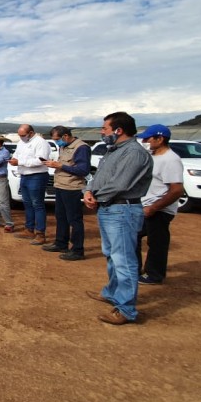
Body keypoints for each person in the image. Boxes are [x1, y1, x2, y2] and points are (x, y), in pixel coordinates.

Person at [84, 111, 152, 325]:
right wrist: (89, 190)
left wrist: (96, 196)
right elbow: (99, 177)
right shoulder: (113, 151)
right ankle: (112, 292)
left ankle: (126, 309)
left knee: (124, 260)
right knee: (112, 255)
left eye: (104, 129)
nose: (102, 132)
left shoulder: (133, 153)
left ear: (118, 130)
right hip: (109, 209)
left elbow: (120, 184)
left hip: (123, 210)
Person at [134, 124, 184, 285]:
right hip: (145, 205)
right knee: (133, 236)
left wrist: (154, 207)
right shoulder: (152, 155)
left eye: (148, 138)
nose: (145, 141)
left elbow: (176, 190)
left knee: (157, 243)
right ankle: (134, 270)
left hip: (159, 209)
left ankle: (154, 275)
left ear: (160, 139)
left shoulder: (171, 160)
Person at [42, 126, 92, 261]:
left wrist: (60, 166)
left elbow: (83, 170)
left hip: (72, 188)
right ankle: (61, 243)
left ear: (65, 136)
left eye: (57, 139)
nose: (56, 142)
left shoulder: (81, 148)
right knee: (61, 217)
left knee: (74, 220)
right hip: (60, 186)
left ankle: (77, 250)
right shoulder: (64, 147)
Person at [9, 124, 52, 245]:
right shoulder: (21, 143)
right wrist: (14, 160)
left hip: (37, 176)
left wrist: (20, 162)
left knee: (37, 204)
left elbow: (41, 160)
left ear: (31, 133)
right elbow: (16, 155)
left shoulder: (41, 142)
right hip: (24, 176)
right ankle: (29, 229)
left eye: (23, 135)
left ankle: (40, 234)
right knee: (27, 204)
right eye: (20, 135)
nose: (21, 137)